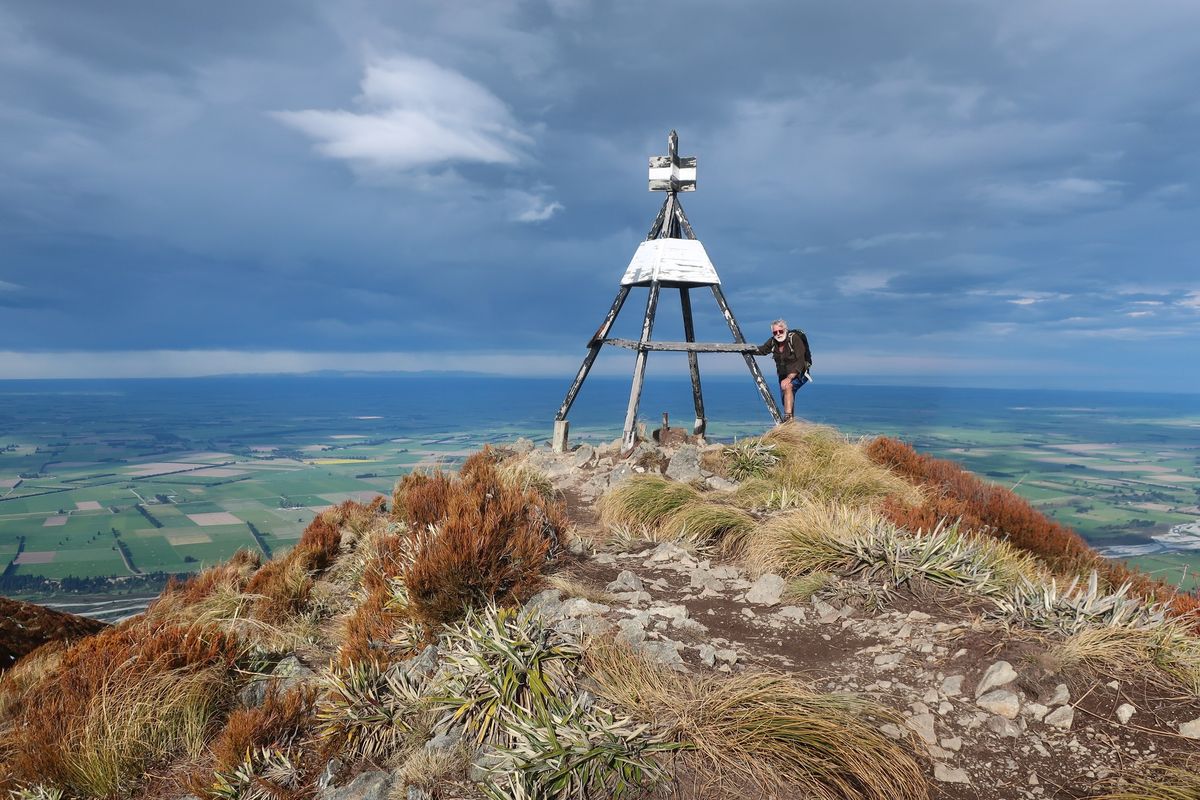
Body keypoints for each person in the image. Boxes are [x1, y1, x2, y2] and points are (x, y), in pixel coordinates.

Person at [756, 319, 811, 422]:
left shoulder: (794, 338)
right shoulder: (773, 341)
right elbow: (762, 350)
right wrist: (745, 348)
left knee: (788, 387)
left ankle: (788, 418)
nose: (778, 334)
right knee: (785, 400)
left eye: (780, 331)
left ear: (785, 330)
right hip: (783, 375)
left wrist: (790, 377)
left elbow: (801, 360)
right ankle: (790, 425)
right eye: (775, 332)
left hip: (800, 372)